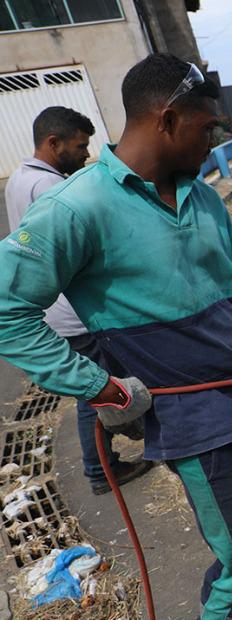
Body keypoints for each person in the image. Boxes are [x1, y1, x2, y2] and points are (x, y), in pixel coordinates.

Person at [0, 53, 232, 619]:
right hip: (200, 429)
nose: (215, 142)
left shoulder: (201, 197)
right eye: (208, 128)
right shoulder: (77, 208)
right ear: (167, 118)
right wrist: (100, 387)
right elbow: (8, 313)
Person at [3, 106, 151, 495]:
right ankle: (100, 471)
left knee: (93, 390)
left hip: (55, 308)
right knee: (95, 392)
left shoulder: (18, 178)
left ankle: (104, 464)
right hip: (71, 314)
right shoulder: (54, 191)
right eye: (80, 146)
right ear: (54, 143)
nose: (86, 155)